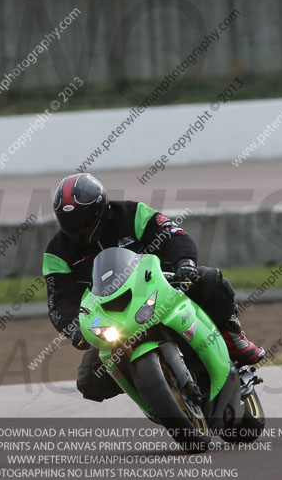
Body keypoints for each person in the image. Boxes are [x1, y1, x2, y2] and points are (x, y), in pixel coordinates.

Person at [42, 173, 265, 403]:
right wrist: (74, 329)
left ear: (100, 208)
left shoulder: (131, 213)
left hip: (162, 285)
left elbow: (172, 235)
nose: (76, 227)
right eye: (68, 220)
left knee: (209, 279)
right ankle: (150, 388)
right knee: (89, 383)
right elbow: (59, 301)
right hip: (111, 318)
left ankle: (234, 338)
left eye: (82, 217)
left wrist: (185, 263)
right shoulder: (56, 252)